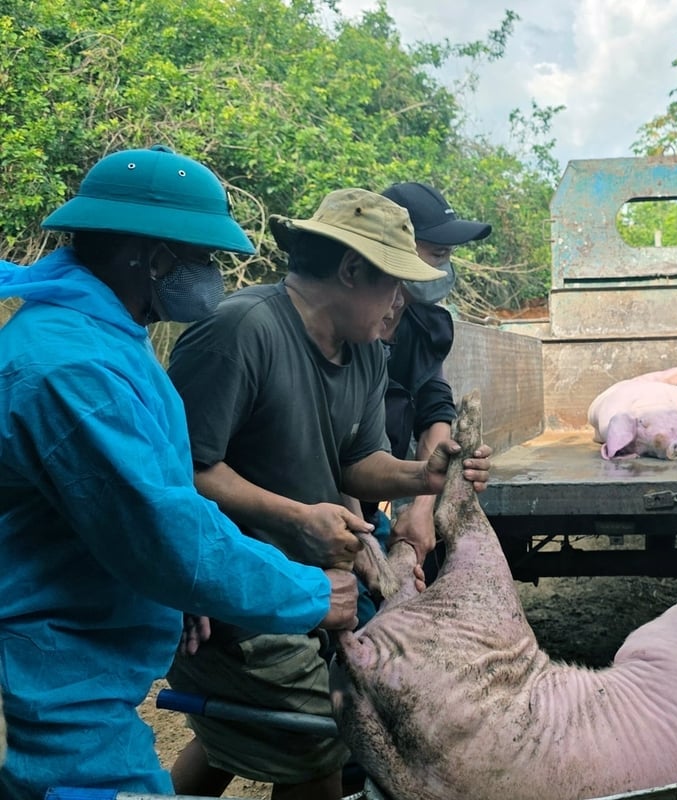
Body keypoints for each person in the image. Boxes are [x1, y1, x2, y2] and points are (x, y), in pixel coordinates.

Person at [0, 146, 360, 800]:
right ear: (147, 255)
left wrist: (181, 593)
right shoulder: (72, 371)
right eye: (199, 258)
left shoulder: (105, 338)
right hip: (67, 665)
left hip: (99, 650)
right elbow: (164, 529)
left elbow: (136, 500)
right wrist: (310, 593)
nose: (211, 275)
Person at [164, 187, 493, 800]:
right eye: (395, 282)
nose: (402, 301)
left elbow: (355, 461)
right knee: (325, 727)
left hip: (317, 590)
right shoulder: (239, 330)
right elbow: (179, 468)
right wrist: (294, 518)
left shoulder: (368, 352)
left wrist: (423, 477)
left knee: (232, 733)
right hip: (231, 594)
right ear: (350, 269)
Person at [365, 181, 492, 586]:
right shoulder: (348, 329)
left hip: (378, 486)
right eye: (437, 252)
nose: (445, 265)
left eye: (449, 255)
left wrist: (422, 506)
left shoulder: (423, 324)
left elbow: (435, 406)